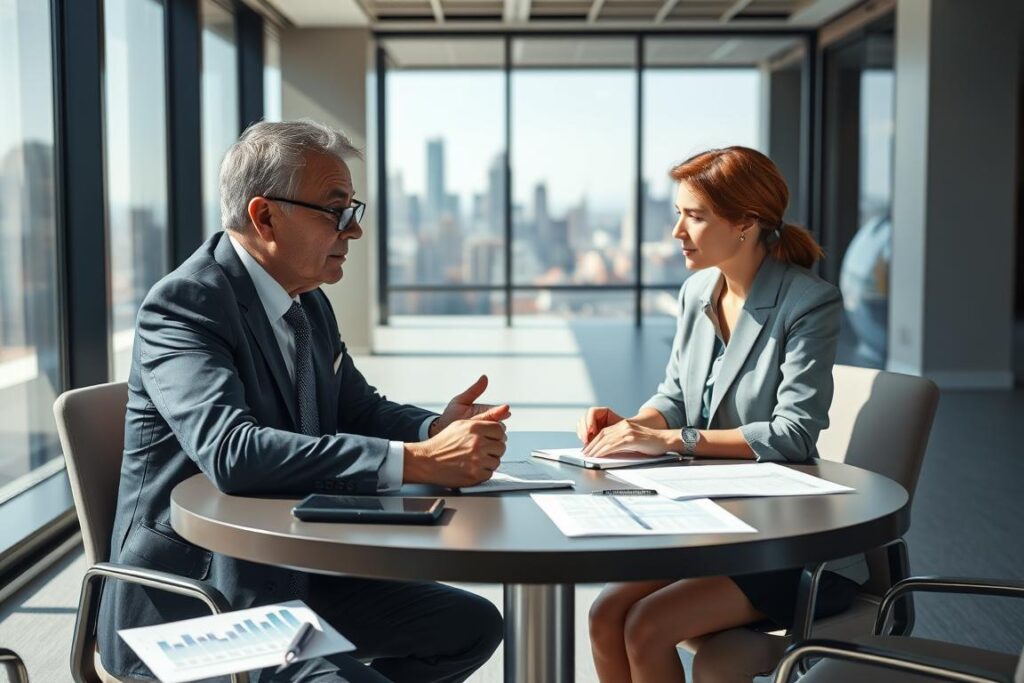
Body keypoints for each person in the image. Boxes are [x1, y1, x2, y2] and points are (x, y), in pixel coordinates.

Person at [99, 120, 507, 682]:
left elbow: (357, 409)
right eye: (336, 210)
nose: (354, 231)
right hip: (204, 605)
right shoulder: (186, 305)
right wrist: (419, 463)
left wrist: (433, 428)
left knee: (472, 625)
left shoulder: (305, 299)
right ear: (265, 216)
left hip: (300, 574)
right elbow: (232, 453)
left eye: (353, 210)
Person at [580, 146, 865, 682]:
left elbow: (793, 434)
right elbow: (675, 396)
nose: (676, 231)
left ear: (745, 224)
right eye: (678, 213)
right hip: (713, 527)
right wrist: (634, 426)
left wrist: (674, 442)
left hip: (789, 546)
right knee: (603, 614)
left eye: (694, 216)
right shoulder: (696, 291)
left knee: (645, 626)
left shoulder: (807, 303)